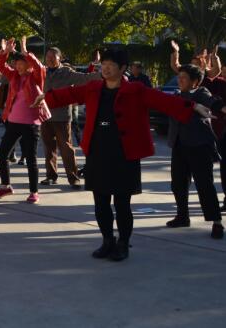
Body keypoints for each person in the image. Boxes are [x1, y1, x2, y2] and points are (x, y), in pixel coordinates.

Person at [37, 48, 205, 262]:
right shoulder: (94, 87)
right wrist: (45, 97)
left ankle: (123, 243)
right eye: (103, 65)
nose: (105, 69)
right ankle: (107, 241)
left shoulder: (136, 90)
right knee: (100, 203)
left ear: (122, 68)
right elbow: (70, 94)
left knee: (122, 204)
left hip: (124, 155)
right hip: (98, 153)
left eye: (111, 65)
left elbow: (163, 100)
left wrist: (193, 106)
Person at [166, 64, 226, 238]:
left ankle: (217, 222)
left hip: (199, 146)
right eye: (179, 77)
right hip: (179, 145)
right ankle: (182, 216)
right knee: (178, 184)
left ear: (195, 82)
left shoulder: (201, 93)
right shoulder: (176, 95)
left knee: (205, 185)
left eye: (184, 78)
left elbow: (213, 102)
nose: (179, 80)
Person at [0, 37, 50, 203]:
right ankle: (6, 186)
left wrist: (26, 52)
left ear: (28, 65)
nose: (18, 66)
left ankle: (34, 192)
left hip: (31, 124)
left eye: (21, 63)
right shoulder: (14, 77)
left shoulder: (36, 76)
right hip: (13, 122)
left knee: (31, 159)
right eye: (16, 63)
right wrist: (5, 53)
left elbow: (39, 67)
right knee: (2, 154)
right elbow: (1, 66)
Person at [40, 47, 101, 188]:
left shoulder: (66, 72)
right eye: (47, 57)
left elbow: (84, 78)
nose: (49, 59)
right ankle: (51, 176)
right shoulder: (42, 71)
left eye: (53, 57)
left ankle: (73, 178)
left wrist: (101, 74)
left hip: (62, 116)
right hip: (45, 115)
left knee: (66, 148)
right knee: (48, 148)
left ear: (59, 58)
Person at [202, 49, 226, 212]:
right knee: (225, 168)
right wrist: (206, 68)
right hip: (223, 133)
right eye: (224, 72)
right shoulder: (220, 84)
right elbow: (206, 87)